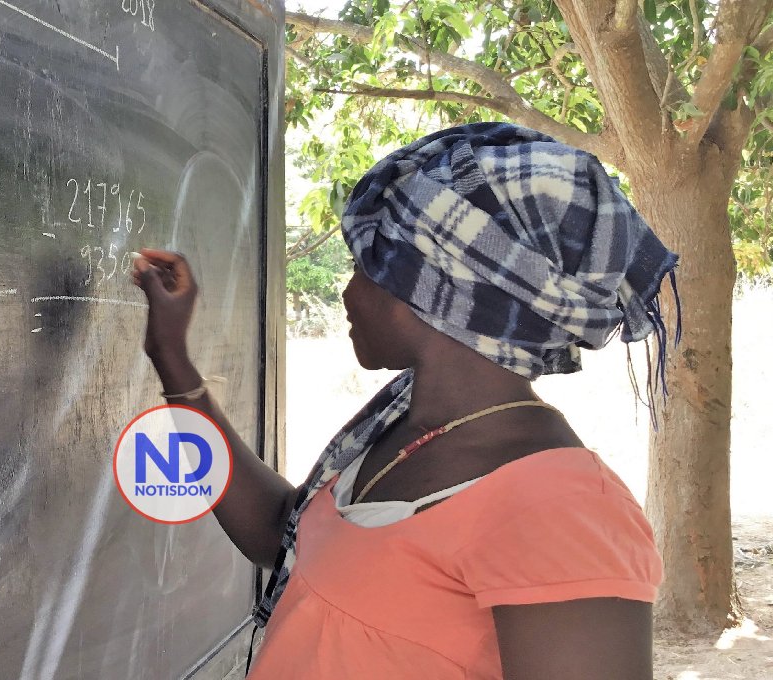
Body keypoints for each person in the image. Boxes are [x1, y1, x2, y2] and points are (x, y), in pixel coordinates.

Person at [130, 123, 678, 679]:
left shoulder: (564, 511)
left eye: (367, 267)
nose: (347, 291)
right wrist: (171, 357)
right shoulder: (404, 426)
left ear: (441, 293)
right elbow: (282, 533)